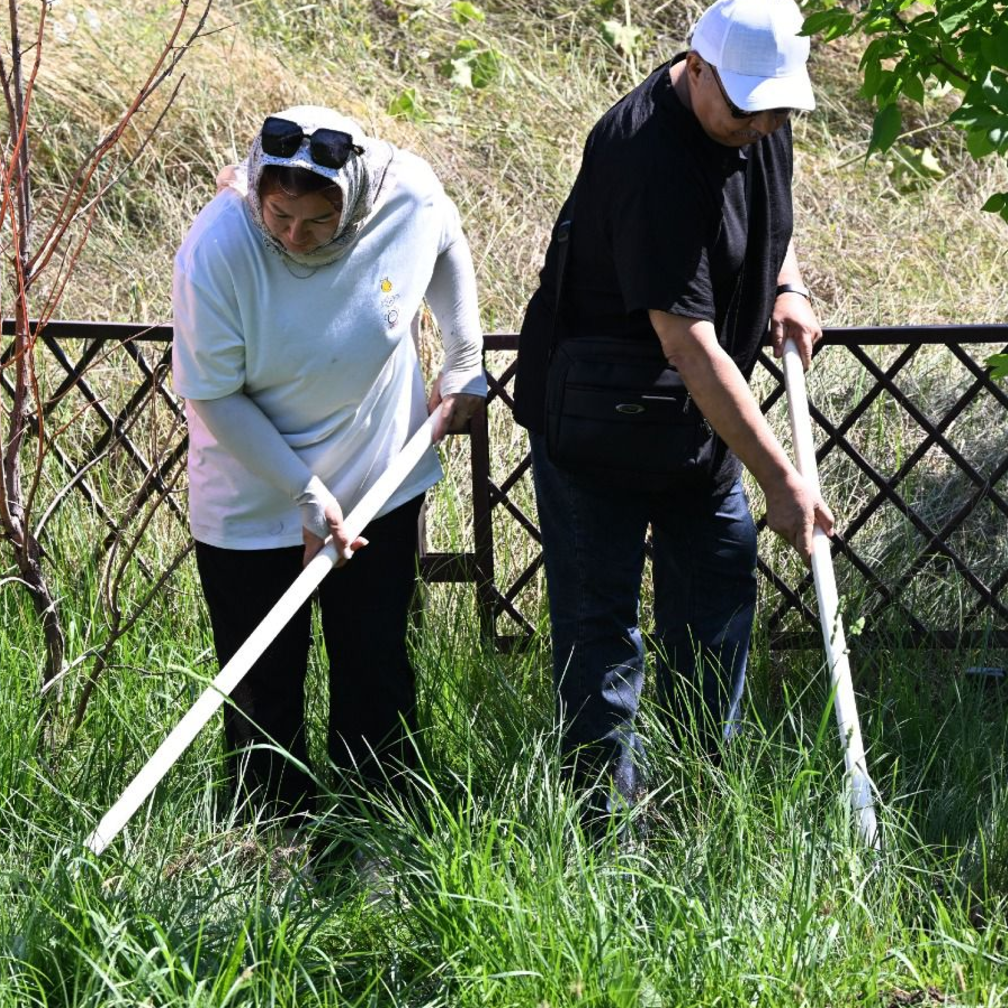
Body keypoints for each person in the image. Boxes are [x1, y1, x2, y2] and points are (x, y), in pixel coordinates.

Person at [512, 0, 832, 810]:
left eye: (775, 112)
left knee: (718, 598)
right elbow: (688, 344)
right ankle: (602, 835)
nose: (760, 127)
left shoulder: (757, 107)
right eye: (744, 110)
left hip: (695, 422)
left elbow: (769, 205)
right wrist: (783, 481)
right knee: (603, 636)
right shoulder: (644, 156)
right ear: (696, 66)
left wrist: (786, 283)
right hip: (597, 428)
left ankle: (695, 806)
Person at [171, 106, 488, 831]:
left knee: (375, 666)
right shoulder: (219, 248)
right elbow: (213, 393)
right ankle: (270, 844)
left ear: (354, 202)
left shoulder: (402, 193)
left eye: (315, 223)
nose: (292, 235)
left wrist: (464, 357)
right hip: (252, 497)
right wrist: (304, 493)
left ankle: (374, 830)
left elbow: (444, 239)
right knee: (262, 687)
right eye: (279, 215)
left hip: (379, 481)